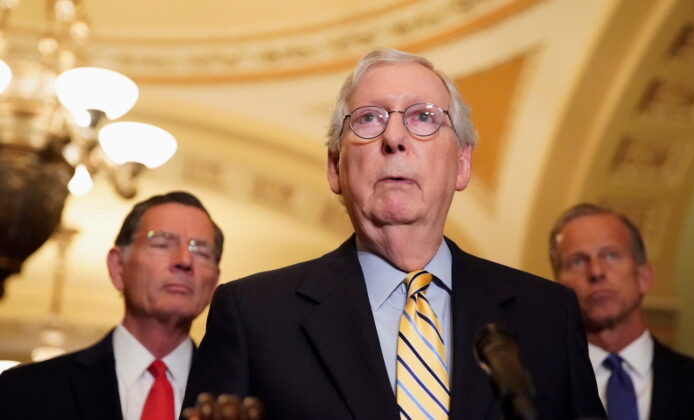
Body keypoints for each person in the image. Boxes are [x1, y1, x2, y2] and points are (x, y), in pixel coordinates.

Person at [184, 48, 604, 420]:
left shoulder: (549, 314)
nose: (395, 138)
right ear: (335, 167)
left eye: (424, 117)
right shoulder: (253, 316)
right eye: (369, 118)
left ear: (461, 164)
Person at [0, 191, 223, 420]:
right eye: (162, 243)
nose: (184, 261)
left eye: (201, 250)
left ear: (214, 283)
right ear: (118, 267)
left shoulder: (238, 396)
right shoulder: (24, 391)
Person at [549, 202, 694, 420]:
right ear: (558, 289)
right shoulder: (536, 388)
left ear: (644, 277)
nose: (596, 272)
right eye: (577, 261)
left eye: (611, 256)